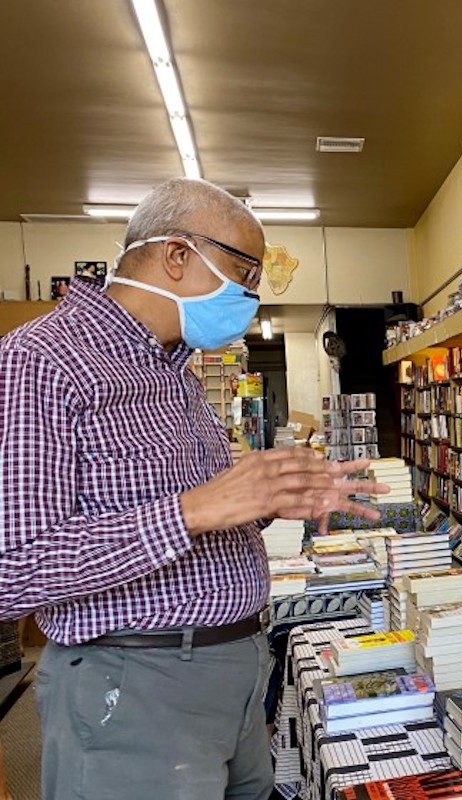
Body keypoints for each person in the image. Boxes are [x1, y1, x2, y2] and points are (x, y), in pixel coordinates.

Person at [0, 178, 387, 800]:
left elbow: (210, 511)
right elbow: (13, 569)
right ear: (178, 255)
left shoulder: (177, 373)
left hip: (235, 670)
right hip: (134, 685)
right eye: (244, 271)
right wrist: (195, 509)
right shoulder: (41, 360)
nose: (251, 296)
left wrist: (271, 500)